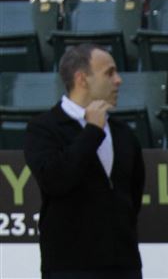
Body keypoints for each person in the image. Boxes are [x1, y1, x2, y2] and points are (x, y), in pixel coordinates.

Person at [24, 44, 145, 279]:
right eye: (109, 73)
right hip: (69, 267)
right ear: (82, 79)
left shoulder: (123, 133)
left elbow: (133, 194)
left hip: (124, 265)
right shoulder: (43, 128)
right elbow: (55, 179)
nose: (118, 80)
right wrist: (92, 131)